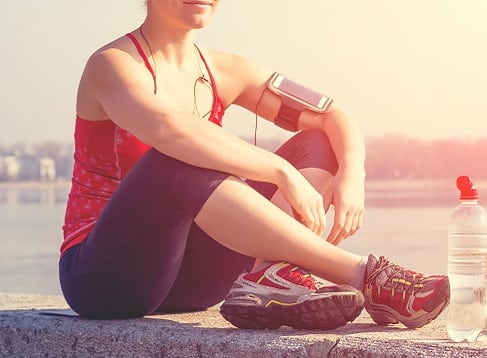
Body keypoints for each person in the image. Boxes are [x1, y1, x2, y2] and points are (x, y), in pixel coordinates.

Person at [59, 0, 449, 331]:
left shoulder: (228, 71)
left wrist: (353, 172)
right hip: (105, 276)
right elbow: (167, 130)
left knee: (318, 140)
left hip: (195, 278)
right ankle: (365, 275)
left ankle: (270, 275)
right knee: (178, 158)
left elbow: (332, 115)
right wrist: (281, 172)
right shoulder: (111, 64)